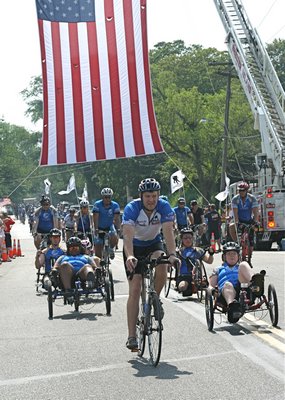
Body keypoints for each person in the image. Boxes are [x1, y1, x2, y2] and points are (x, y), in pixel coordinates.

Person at [122, 178, 180, 350]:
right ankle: (132, 336)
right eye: (148, 196)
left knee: (162, 261)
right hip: (135, 247)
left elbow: (168, 233)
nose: (151, 200)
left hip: (153, 243)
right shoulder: (132, 208)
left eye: (154, 196)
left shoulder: (164, 207)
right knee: (135, 288)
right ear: (141, 196)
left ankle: (155, 298)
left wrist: (172, 255)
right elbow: (127, 236)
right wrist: (130, 256)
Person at [208, 242, 265, 323]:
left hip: (244, 289)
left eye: (234, 253)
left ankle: (256, 286)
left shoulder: (241, 267)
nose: (232, 256)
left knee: (244, 264)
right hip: (226, 293)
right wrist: (212, 291)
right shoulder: (218, 269)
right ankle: (233, 307)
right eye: (229, 253)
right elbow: (210, 286)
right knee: (228, 284)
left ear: (238, 256)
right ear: (224, 256)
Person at [52, 237, 99, 302]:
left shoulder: (86, 257)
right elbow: (55, 267)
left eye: (76, 248)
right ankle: (68, 291)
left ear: (80, 248)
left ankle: (90, 280)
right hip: (68, 274)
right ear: (68, 249)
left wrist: (96, 270)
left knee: (87, 266)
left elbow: (94, 266)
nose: (74, 249)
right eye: (72, 248)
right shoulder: (62, 257)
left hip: (82, 273)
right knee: (64, 264)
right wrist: (54, 271)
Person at [177, 228, 214, 296]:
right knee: (182, 287)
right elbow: (172, 265)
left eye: (190, 238)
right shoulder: (179, 252)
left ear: (193, 239)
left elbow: (209, 261)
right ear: (182, 239)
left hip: (198, 277)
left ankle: (196, 276)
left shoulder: (198, 250)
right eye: (185, 238)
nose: (188, 240)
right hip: (184, 276)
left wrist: (211, 254)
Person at [229, 182, 259, 256]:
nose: (241, 192)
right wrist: (236, 222)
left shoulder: (252, 198)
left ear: (246, 191)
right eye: (239, 191)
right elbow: (235, 213)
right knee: (231, 226)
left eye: (243, 190)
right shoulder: (235, 199)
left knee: (251, 238)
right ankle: (237, 242)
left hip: (249, 220)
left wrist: (256, 221)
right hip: (239, 219)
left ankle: (250, 255)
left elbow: (256, 211)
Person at [92, 188, 121, 259]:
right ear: (102, 197)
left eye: (109, 197)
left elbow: (116, 218)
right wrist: (96, 228)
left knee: (114, 235)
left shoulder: (115, 205)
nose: (107, 199)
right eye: (105, 197)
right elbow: (95, 217)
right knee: (98, 252)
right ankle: (99, 265)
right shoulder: (97, 204)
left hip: (109, 226)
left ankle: (111, 249)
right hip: (99, 227)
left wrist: (119, 228)